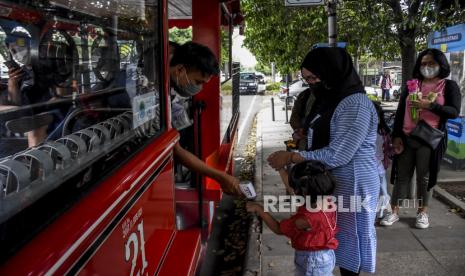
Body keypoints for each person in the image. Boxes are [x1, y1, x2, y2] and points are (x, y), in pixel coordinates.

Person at [267, 47, 379, 275]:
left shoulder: (355, 104)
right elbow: (330, 131)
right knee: (329, 237)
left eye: (314, 78)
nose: (311, 83)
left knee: (350, 241)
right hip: (336, 180)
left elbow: (340, 153)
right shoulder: (331, 98)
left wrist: (292, 156)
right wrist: (305, 135)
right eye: (306, 79)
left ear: (331, 72)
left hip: (353, 183)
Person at [381, 48, 461, 229]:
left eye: (431, 63)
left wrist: (430, 105)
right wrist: (396, 136)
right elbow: (401, 111)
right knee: (402, 176)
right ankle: (394, 211)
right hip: (407, 137)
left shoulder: (448, 86)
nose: (427, 67)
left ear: (440, 65)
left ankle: (422, 213)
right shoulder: (412, 84)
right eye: (423, 63)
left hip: (430, 139)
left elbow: (454, 112)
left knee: (424, 178)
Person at [168, 41, 241, 195]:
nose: (199, 88)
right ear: (180, 70)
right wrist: (219, 176)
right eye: (198, 82)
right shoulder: (150, 91)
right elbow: (176, 150)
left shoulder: (172, 91)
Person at [246, 160, 338, 276]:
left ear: (304, 193)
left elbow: (279, 229)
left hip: (313, 261)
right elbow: (293, 190)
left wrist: (259, 209)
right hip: (325, 255)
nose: (293, 191)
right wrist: (280, 169)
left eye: (296, 189)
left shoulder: (305, 220)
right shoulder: (325, 199)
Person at [373, 102, 392, 219]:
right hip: (370, 167)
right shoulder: (382, 131)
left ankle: (379, 213)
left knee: (382, 191)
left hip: (378, 166)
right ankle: (376, 213)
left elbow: (388, 148)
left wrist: (393, 150)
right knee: (378, 191)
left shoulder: (383, 131)